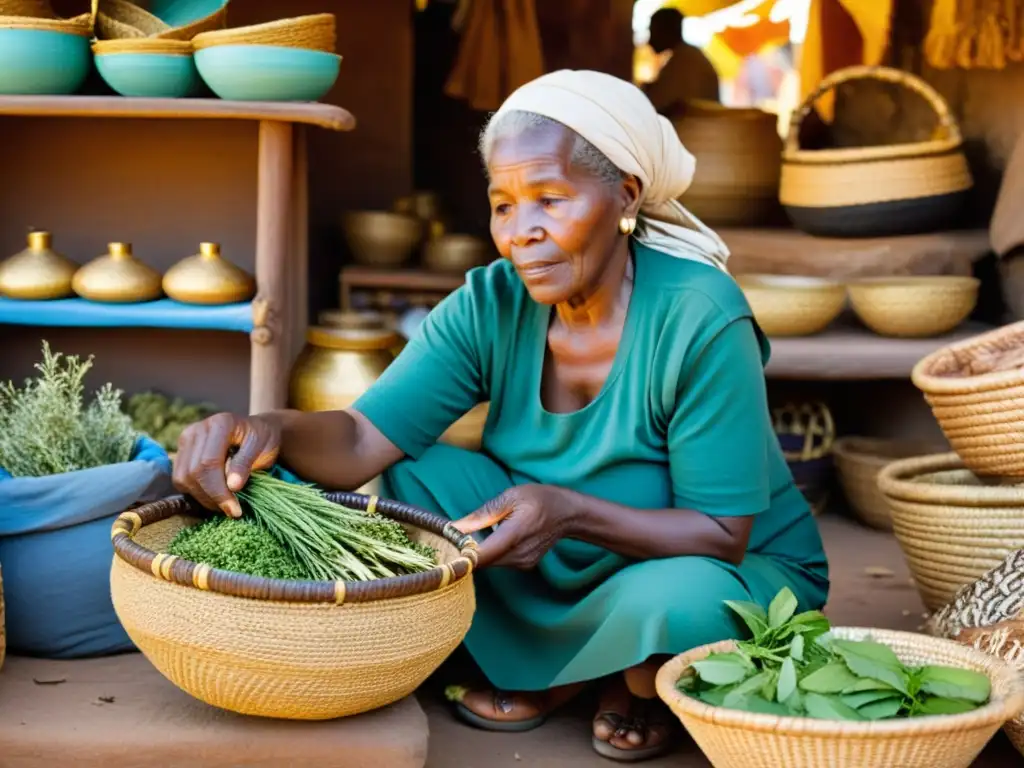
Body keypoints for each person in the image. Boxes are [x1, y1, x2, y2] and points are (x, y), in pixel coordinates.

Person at [172, 69, 829, 762]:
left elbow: (721, 532)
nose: (522, 234)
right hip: (548, 550)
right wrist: (269, 427)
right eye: (503, 205)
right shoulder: (491, 302)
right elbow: (365, 437)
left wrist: (570, 512)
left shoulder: (700, 316)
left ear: (625, 196)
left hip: (709, 562)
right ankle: (598, 670)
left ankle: (599, 673)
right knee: (415, 478)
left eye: (549, 199)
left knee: (682, 606)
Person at [644, 7, 721, 115]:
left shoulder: (684, 63)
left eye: (652, 31)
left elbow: (658, 104)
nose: (649, 40)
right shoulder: (687, 57)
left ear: (665, 30)